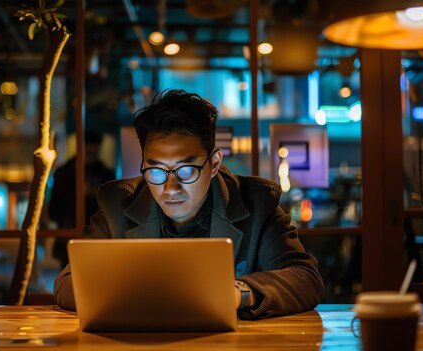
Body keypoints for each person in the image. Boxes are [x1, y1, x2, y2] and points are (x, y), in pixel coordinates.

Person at [54, 89, 323, 319]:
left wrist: (238, 292)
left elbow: (304, 279)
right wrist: (143, 296)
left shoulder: (256, 204)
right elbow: (67, 283)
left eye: (186, 170)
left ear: (214, 163)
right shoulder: (118, 206)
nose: (171, 188)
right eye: (156, 171)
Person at [48, 130, 114, 267]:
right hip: (72, 237)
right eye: (89, 153)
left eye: (92, 153)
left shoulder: (105, 175)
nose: (90, 157)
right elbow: (54, 211)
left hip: (94, 238)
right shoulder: (63, 174)